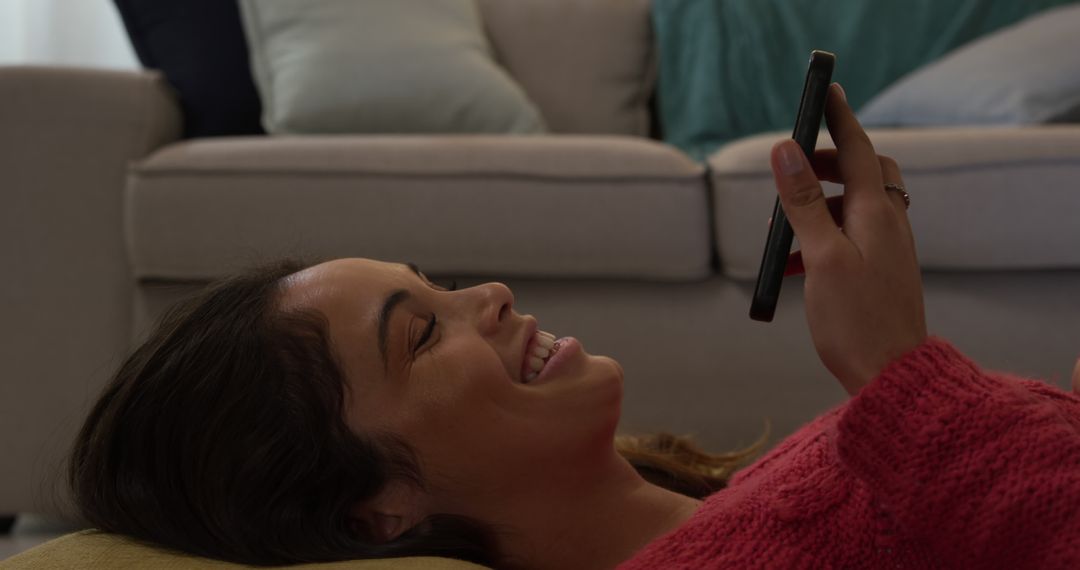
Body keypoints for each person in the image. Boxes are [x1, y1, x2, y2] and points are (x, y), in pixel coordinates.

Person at [67, 84, 1080, 569]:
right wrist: (901, 373)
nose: (492, 294)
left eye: (441, 286)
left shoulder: (733, 502)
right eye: (419, 336)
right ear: (379, 509)